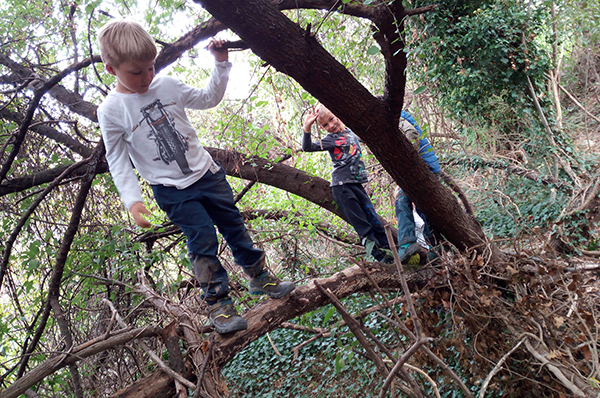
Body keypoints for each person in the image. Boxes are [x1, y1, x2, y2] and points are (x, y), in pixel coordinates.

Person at [97, 20, 295, 334]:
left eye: (150, 68)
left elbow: (207, 99)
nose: (147, 77)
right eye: (137, 72)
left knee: (234, 225)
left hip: (207, 174)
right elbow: (118, 159)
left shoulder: (168, 85)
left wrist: (220, 64)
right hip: (172, 190)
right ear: (111, 69)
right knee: (202, 237)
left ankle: (260, 277)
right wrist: (132, 201)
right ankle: (219, 305)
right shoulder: (111, 110)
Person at [302, 104, 392, 263]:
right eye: (325, 125)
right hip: (342, 187)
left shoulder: (350, 131)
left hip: (356, 185)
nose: (330, 126)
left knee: (375, 222)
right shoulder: (331, 139)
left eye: (331, 119)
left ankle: (393, 255)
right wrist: (307, 127)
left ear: (337, 114)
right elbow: (307, 147)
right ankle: (383, 260)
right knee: (364, 227)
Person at [395, 110, 441, 265]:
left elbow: (412, 134)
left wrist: (405, 158)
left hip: (423, 169)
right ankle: (436, 251)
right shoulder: (395, 116)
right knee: (424, 211)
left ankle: (406, 243)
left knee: (401, 200)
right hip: (428, 169)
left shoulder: (394, 115)